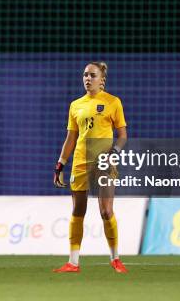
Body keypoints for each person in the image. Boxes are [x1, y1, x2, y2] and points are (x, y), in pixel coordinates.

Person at [53, 61, 128, 273]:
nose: (88, 78)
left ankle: (115, 259)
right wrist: (61, 164)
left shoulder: (113, 102)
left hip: (105, 161)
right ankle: (73, 262)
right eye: (85, 74)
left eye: (92, 75)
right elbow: (71, 138)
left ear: (102, 79)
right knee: (78, 210)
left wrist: (115, 152)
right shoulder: (75, 105)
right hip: (80, 161)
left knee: (106, 211)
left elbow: (122, 135)